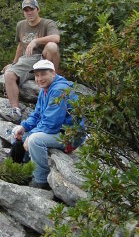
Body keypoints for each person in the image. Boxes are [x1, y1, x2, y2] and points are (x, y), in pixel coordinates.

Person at [12, 59, 85, 190]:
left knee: (34, 140)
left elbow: (52, 123)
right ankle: (19, 169)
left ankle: (41, 180)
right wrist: (24, 127)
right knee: (17, 132)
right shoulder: (45, 89)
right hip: (56, 131)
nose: (39, 78)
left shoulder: (59, 90)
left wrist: (30, 135)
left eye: (43, 74)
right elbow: (37, 114)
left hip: (68, 136)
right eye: (37, 75)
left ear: (53, 73)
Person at [2, 0, 60, 124]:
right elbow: (20, 46)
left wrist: (36, 41)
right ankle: (16, 111)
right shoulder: (21, 25)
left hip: (44, 57)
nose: (29, 13)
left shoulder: (47, 23)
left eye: (32, 9)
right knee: (9, 74)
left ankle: (52, 78)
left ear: (38, 9)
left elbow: (56, 38)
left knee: (52, 46)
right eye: (26, 10)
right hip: (27, 60)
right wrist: (14, 63)